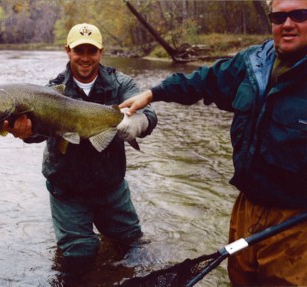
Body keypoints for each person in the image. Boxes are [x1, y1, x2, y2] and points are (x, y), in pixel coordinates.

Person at [119, 0, 307, 285]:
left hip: (296, 221)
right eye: (279, 17)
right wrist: (153, 94)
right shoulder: (253, 62)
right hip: (246, 207)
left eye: (299, 15)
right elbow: (203, 81)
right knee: (240, 279)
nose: (288, 24)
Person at [3, 23, 157, 279]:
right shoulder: (51, 90)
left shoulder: (121, 84)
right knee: (78, 259)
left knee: (134, 248)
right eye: (79, 51)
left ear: (101, 52)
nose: (85, 58)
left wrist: (140, 123)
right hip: (68, 189)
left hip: (111, 187)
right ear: (68, 51)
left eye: (91, 51)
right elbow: (38, 135)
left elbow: (149, 112)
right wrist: (25, 134)